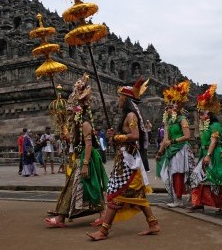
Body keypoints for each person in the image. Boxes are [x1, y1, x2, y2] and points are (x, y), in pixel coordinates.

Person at [87, 76, 160, 241]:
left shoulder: (131, 116)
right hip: (125, 159)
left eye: (120, 97)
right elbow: (124, 138)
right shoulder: (127, 116)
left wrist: (118, 137)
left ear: (126, 99)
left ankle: (104, 231)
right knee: (136, 194)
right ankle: (153, 223)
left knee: (115, 193)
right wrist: (113, 137)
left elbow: (135, 136)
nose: (118, 100)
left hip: (128, 162)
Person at [45, 73, 108, 228]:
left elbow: (88, 145)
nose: (70, 114)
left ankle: (61, 219)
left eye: (72, 112)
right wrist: (62, 130)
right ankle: (101, 215)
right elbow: (72, 138)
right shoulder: (77, 125)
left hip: (86, 159)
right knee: (85, 187)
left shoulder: (85, 124)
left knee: (88, 187)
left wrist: (85, 164)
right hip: (80, 159)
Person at [188, 84, 222, 213]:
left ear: (209, 113)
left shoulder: (215, 125)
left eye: (203, 112)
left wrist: (208, 155)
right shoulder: (203, 126)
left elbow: (213, 141)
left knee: (216, 180)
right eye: (199, 112)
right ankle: (198, 203)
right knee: (196, 176)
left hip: (215, 154)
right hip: (205, 153)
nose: (200, 115)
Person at [155, 80, 195, 208]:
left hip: (181, 149)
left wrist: (172, 142)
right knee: (172, 173)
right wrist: (160, 152)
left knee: (178, 173)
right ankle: (176, 197)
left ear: (177, 107)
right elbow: (165, 139)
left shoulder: (182, 119)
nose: (169, 108)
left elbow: (187, 136)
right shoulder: (169, 122)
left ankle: (179, 198)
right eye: (168, 105)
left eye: (171, 105)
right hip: (171, 150)